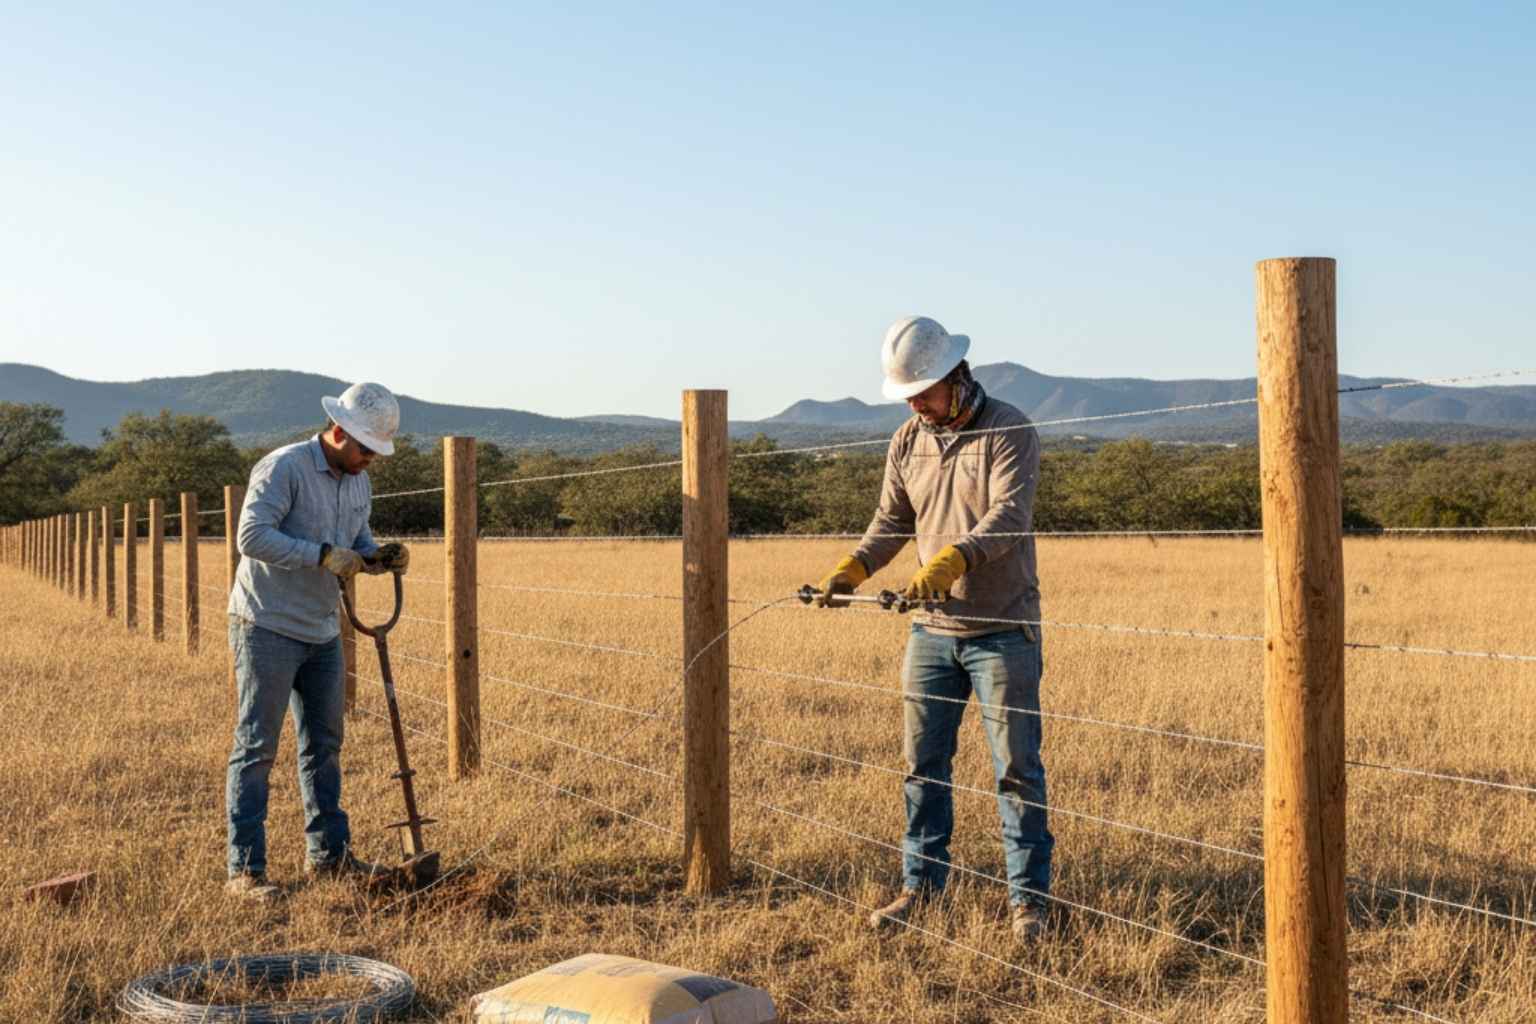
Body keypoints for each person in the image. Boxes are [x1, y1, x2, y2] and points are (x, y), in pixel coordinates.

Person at [813, 316, 1052, 940]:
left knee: (1017, 772)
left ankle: (1029, 905)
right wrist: (855, 567)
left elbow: (1008, 517)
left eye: (923, 390)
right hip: (931, 634)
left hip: (1003, 630)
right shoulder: (906, 440)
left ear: (956, 375)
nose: (916, 403)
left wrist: (949, 561)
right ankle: (921, 891)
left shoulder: (1010, 428)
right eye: (908, 394)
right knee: (922, 767)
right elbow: (891, 520)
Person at [224, 382, 411, 900]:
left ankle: (329, 857)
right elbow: (252, 537)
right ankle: (245, 872)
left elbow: (357, 544)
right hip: (266, 624)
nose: (371, 459)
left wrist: (379, 557)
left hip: (323, 628)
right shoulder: (283, 467)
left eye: (376, 451)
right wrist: (323, 555)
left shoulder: (358, 482)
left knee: (325, 746)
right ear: (337, 431)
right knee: (258, 747)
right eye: (365, 448)